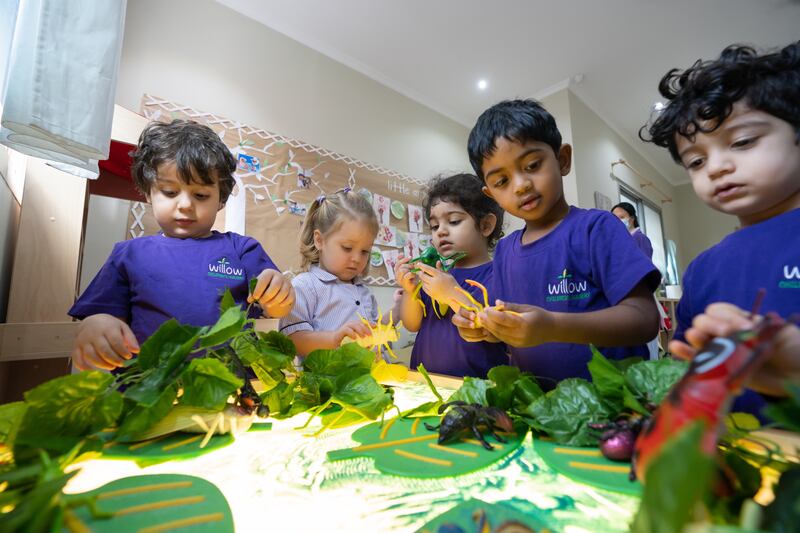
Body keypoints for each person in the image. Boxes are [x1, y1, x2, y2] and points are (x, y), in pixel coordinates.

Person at [453, 99, 661, 387]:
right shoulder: (503, 251)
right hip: (541, 409)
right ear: (492, 195)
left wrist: (552, 326)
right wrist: (490, 329)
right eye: (502, 182)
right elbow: (512, 322)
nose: (521, 184)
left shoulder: (596, 229)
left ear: (562, 159)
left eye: (533, 165)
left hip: (611, 406)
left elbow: (644, 319)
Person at [642, 41, 800, 400]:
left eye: (743, 141)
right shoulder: (703, 270)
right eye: (696, 162)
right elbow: (685, 367)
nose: (716, 167)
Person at [69, 120, 294, 371]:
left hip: (230, 390)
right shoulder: (129, 254)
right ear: (148, 193)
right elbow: (104, 316)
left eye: (200, 195)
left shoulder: (242, 249)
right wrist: (95, 325)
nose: (185, 204)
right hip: (149, 389)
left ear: (220, 199)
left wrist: (280, 292)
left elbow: (277, 309)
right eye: (169, 191)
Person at [394, 173, 508, 378]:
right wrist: (410, 292)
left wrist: (450, 294)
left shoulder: (500, 274)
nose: (440, 232)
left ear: (486, 226)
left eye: (454, 221)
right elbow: (412, 324)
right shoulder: (436, 272)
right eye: (435, 226)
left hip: (475, 389)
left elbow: (493, 330)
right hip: (426, 384)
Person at [279, 188, 383, 357]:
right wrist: (334, 339)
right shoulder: (304, 286)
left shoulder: (364, 290)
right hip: (327, 381)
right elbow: (293, 340)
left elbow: (375, 331)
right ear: (319, 240)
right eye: (347, 248)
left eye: (365, 251)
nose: (357, 258)